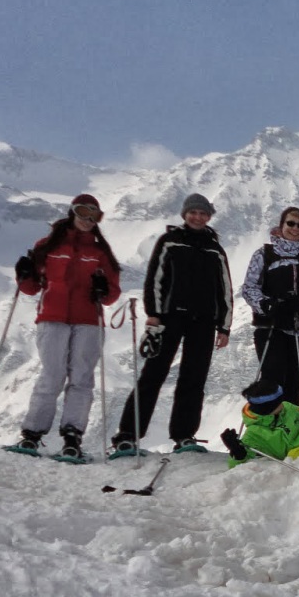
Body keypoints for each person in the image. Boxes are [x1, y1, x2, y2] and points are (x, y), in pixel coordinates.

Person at [111, 193, 232, 456]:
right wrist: (153, 314)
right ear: (184, 214)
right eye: (193, 212)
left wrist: (224, 327)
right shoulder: (170, 241)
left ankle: (184, 435)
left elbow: (225, 289)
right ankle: (128, 435)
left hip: (204, 321)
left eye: (203, 213)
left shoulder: (215, 248)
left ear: (209, 216)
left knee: (194, 378)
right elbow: (155, 278)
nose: (198, 217)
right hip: (169, 317)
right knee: (153, 374)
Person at [8, 194, 122, 460]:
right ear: (73, 212)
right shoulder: (47, 246)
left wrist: (103, 290)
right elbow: (32, 287)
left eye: (95, 216)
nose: (88, 220)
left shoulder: (99, 252)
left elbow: (112, 294)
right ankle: (32, 435)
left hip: (88, 321)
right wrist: (23, 274)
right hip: (52, 317)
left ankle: (72, 437)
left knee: (82, 377)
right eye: (84, 212)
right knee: (52, 374)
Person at [241, 205, 299, 406]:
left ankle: (288, 432)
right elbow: (249, 287)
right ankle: (266, 432)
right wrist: (267, 304)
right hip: (271, 326)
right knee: (272, 381)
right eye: (290, 223)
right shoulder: (264, 253)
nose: (295, 228)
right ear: (281, 225)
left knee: (293, 385)